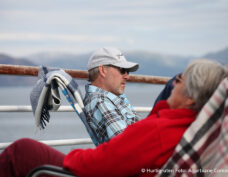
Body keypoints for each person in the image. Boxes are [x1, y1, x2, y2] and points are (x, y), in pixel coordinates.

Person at [0, 59, 227, 177]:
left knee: (23, 151)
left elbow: (99, 166)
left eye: (180, 79)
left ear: (190, 99)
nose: (174, 83)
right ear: (103, 71)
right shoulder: (200, 132)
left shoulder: (162, 130)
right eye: (122, 69)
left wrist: (72, 158)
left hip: (98, 169)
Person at [83, 47, 141, 144]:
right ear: (103, 70)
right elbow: (125, 143)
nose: (127, 76)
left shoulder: (110, 97)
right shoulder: (101, 100)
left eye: (128, 71)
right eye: (122, 70)